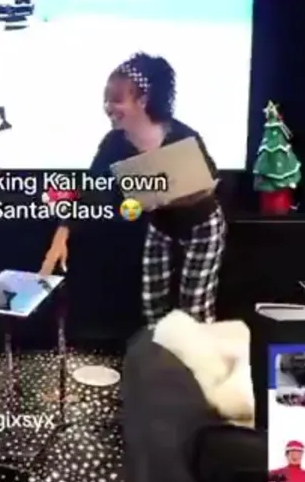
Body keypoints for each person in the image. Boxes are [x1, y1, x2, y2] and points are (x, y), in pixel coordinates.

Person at [39, 52, 226, 323]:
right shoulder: (114, 143)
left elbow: (211, 182)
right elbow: (91, 188)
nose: (108, 107)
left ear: (143, 100)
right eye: (105, 100)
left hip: (202, 228)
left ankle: (193, 350)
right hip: (160, 228)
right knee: (153, 306)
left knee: (194, 308)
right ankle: (156, 350)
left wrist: (171, 195)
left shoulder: (183, 136)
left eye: (116, 100)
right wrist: (62, 232)